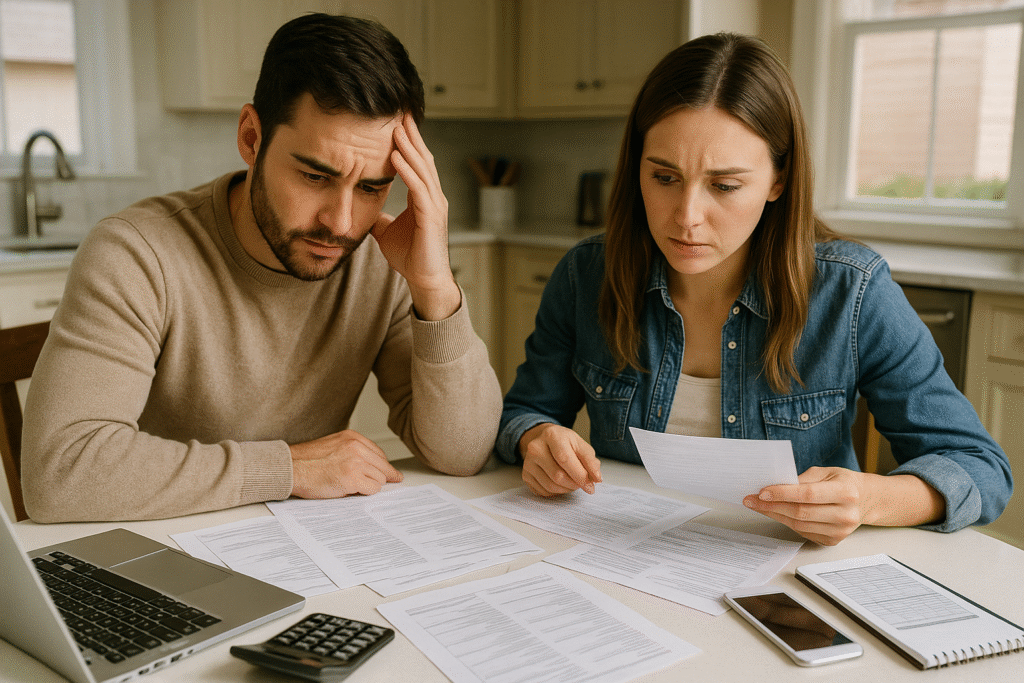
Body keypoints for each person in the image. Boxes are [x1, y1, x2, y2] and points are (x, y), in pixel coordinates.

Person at [496, 33, 1011, 546]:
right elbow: (522, 413)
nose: (687, 217)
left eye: (724, 186)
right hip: (622, 558)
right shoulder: (585, 275)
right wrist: (537, 440)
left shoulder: (852, 292)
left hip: (788, 578)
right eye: (664, 177)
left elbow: (981, 470)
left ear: (778, 182)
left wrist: (871, 498)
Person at [22, 13, 502, 522]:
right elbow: (61, 473)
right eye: (316, 176)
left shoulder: (381, 259)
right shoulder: (136, 254)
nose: (341, 224)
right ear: (252, 138)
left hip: (298, 547)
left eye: (371, 188)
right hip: (156, 546)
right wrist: (287, 469)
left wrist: (435, 288)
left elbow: (462, 454)